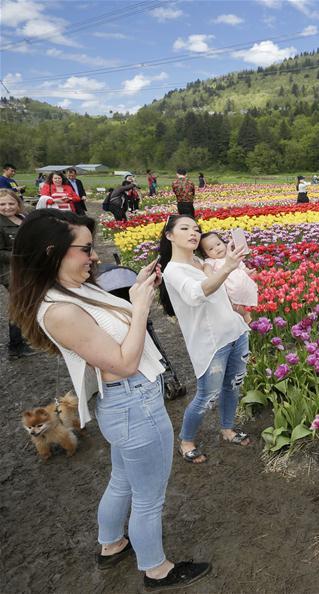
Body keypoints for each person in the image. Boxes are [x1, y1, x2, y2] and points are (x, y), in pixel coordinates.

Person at [8, 209, 211, 591]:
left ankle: (112, 544)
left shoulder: (71, 289)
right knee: (149, 497)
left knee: (121, 480)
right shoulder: (61, 309)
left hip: (123, 404)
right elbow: (125, 361)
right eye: (85, 249)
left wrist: (135, 293)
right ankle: (156, 569)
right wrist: (141, 306)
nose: (95, 256)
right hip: (135, 404)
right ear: (53, 251)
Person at [158, 215, 252, 465]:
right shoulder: (173, 270)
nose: (193, 233)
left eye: (196, 229)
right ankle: (186, 441)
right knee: (207, 396)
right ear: (169, 236)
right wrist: (227, 267)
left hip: (236, 332)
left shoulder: (201, 261)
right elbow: (196, 294)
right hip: (211, 343)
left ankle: (228, 429)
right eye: (185, 228)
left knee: (233, 385)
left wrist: (240, 306)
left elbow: (220, 293)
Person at [0, 188, 34, 359]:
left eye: (11, 203)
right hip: (10, 271)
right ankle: (15, 346)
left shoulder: (23, 218)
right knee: (19, 306)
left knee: (26, 303)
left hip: (27, 267)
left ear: (18, 204)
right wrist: (20, 255)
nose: (7, 207)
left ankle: (23, 338)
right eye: (2, 204)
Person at [198, 232, 258, 323]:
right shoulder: (211, 261)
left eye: (218, 244)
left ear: (224, 243)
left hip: (245, 286)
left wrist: (249, 272)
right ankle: (249, 325)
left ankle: (256, 321)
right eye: (211, 249)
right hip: (231, 294)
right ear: (205, 254)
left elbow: (242, 268)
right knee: (242, 312)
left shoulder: (231, 256)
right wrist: (210, 277)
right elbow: (207, 270)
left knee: (254, 304)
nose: (216, 249)